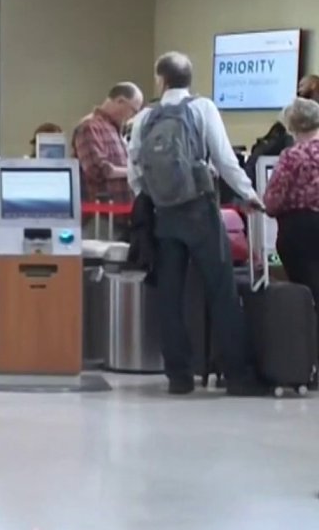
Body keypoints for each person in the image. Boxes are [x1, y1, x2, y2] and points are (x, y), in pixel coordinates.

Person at [128, 51, 268, 397]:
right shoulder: (202, 109)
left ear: (160, 79)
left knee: (170, 297)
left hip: (164, 216)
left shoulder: (145, 118)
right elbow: (224, 158)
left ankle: (179, 377)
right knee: (221, 292)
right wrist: (249, 194)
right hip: (201, 212)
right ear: (189, 79)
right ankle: (238, 375)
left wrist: (157, 197)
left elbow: (135, 170)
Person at [263, 97, 319, 307]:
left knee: (308, 290)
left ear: (292, 126)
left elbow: (272, 202)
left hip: (298, 232)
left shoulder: (292, 156)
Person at [73, 83, 144, 237]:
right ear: (120, 101)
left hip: (120, 217)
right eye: (133, 110)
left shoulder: (114, 130)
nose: (132, 117)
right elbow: (98, 169)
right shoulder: (90, 127)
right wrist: (136, 171)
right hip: (100, 219)